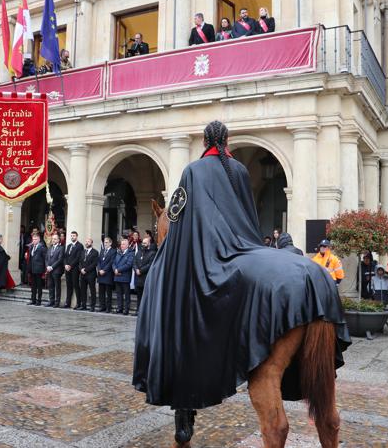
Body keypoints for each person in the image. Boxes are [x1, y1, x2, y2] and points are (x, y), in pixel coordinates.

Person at [133, 121, 349, 445]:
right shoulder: (241, 172)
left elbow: (183, 223)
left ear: (205, 140)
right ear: (227, 140)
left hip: (217, 253)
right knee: (324, 399)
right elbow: (248, 217)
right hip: (247, 244)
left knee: (184, 308)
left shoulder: (193, 172)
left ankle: (188, 368)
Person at [133, 236, 155, 316]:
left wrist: (141, 270)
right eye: (143, 243)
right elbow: (134, 262)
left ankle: (145, 312)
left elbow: (150, 264)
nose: (143, 244)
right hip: (138, 278)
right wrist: (136, 269)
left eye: (145, 243)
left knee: (145, 297)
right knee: (139, 296)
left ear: (149, 243)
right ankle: (138, 310)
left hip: (145, 278)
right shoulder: (139, 252)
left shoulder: (152, 253)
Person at [113, 238, 134, 315]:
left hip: (125, 277)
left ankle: (126, 309)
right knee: (119, 294)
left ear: (128, 245)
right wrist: (115, 269)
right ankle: (119, 308)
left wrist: (118, 270)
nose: (122, 245)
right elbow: (113, 262)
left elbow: (129, 264)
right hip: (117, 276)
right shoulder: (118, 253)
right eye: (121, 244)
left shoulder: (131, 253)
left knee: (126, 294)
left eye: (124, 244)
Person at [78, 238, 99, 311]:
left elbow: (94, 264)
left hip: (91, 274)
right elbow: (80, 262)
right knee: (83, 290)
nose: (87, 243)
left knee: (92, 290)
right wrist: (81, 269)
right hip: (82, 274)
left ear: (91, 243)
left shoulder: (95, 252)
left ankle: (92, 306)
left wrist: (86, 270)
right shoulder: (82, 251)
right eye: (86, 241)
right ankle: (83, 305)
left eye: (88, 242)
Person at [64, 231, 83, 308]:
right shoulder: (68, 246)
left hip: (74, 269)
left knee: (76, 285)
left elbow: (78, 258)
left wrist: (70, 265)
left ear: (77, 236)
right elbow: (65, 257)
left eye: (74, 236)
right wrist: (65, 265)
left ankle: (78, 303)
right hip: (67, 269)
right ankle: (67, 303)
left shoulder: (80, 246)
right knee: (69, 286)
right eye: (71, 236)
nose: (72, 237)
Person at [98, 237, 116, 312]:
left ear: (110, 243)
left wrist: (104, 270)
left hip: (108, 274)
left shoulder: (113, 251)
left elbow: (111, 262)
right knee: (101, 292)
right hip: (100, 274)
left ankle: (108, 308)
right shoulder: (102, 251)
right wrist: (99, 269)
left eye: (106, 242)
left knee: (108, 293)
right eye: (104, 242)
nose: (105, 244)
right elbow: (98, 261)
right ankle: (102, 306)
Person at [46, 232, 64, 307]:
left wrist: (52, 267)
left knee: (57, 287)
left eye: (55, 239)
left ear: (58, 240)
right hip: (49, 270)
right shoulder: (50, 248)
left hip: (56, 271)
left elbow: (60, 260)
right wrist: (47, 266)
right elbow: (46, 258)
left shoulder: (61, 248)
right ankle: (51, 301)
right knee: (50, 286)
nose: (53, 240)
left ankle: (57, 302)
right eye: (53, 239)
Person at [27, 233, 46, 306]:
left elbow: (45, 259)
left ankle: (39, 300)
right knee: (33, 286)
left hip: (39, 270)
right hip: (32, 269)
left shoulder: (42, 247)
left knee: (39, 286)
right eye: (33, 239)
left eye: (35, 239)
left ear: (39, 239)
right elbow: (30, 259)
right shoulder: (31, 247)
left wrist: (44, 270)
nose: (34, 241)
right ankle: (33, 300)